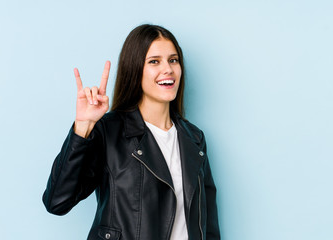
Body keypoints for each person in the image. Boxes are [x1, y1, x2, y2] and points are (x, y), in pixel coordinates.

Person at [42, 24, 220, 240]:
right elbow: (57, 202)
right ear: (135, 69)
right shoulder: (110, 130)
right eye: (154, 61)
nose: (168, 69)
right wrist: (83, 127)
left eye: (173, 60)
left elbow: (208, 226)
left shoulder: (194, 138)